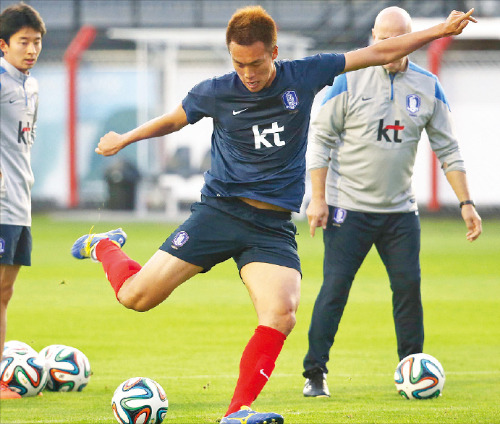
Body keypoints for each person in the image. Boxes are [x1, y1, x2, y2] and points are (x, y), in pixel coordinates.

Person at [71, 5, 476, 423]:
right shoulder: (216, 90)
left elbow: (377, 53)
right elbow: (174, 121)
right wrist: (125, 138)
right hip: (219, 213)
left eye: (256, 63)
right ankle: (103, 246)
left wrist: (441, 30)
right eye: (239, 63)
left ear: (275, 52)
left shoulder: (305, 74)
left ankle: (237, 411)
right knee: (136, 297)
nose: (247, 73)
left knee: (281, 313)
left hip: (271, 227)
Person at [302, 6, 482, 398]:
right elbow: (320, 142)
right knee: (334, 289)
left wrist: (466, 202)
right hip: (347, 208)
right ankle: (314, 373)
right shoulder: (346, 81)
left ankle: (412, 369)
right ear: (372, 36)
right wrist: (318, 199)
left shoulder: (428, 85)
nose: (389, 46)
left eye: (398, 38)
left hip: (400, 211)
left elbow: (448, 149)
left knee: (408, 288)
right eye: (382, 39)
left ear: (411, 39)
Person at [0, 3, 46, 400]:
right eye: (23, 42)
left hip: (20, 199)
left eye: (36, 42)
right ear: (3, 45)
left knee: (5, 292)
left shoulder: (31, 85)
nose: (31, 49)